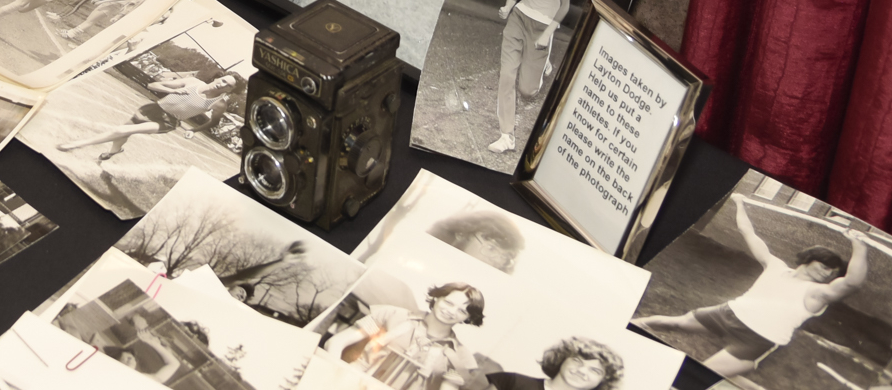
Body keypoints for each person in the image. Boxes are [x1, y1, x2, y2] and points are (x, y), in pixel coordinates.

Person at [636, 197, 869, 376]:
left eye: (833, 273)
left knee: (700, 375)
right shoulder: (775, 266)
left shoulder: (818, 294)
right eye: (827, 265)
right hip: (728, 314)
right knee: (671, 322)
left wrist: (858, 245)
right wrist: (739, 203)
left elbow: (852, 282)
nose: (828, 273)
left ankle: (744, 369)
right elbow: (748, 233)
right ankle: (627, 324)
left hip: (756, 339)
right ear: (811, 258)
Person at [489, 0, 576, 155]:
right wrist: (508, 8)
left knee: (527, 91)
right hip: (519, 18)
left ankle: (543, 60)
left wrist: (548, 34)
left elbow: (565, 6)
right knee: (507, 75)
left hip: (542, 27)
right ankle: (507, 136)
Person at [325, 281, 486, 390]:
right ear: (437, 297)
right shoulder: (389, 315)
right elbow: (336, 342)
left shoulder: (460, 356)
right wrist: (333, 378)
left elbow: (449, 387)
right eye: (448, 302)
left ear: (470, 318)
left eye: (462, 311)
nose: (451, 311)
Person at [57, 70, 243, 161]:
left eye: (228, 85)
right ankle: (114, 152)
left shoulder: (219, 103)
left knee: (121, 130)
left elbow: (214, 122)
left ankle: (75, 145)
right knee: (123, 135)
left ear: (231, 90)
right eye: (223, 80)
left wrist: (194, 130)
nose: (222, 84)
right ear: (219, 77)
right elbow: (152, 85)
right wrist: (171, 90)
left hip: (167, 121)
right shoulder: (192, 82)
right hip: (151, 109)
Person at [486, 337, 624, 390]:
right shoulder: (513, 382)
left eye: (595, 370)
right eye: (577, 361)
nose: (582, 371)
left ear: (604, 381)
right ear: (561, 360)